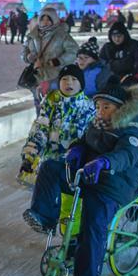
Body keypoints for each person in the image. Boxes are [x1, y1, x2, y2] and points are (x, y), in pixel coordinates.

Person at [25, 83, 138, 276]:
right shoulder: (97, 124)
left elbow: (127, 155)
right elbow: (85, 141)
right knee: (50, 168)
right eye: (99, 106)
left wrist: (105, 161)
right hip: (88, 176)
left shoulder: (131, 131)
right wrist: (77, 148)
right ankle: (44, 216)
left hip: (112, 185)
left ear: (120, 109)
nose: (101, 111)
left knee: (93, 224)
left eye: (107, 107)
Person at [18, 64, 95, 197]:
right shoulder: (50, 103)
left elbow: (90, 140)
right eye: (65, 79)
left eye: (74, 79)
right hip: (48, 164)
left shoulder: (89, 108)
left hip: (73, 167)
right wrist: (29, 157)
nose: (69, 82)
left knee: (67, 204)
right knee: (46, 199)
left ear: (81, 85)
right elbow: (39, 131)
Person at [22, 6, 79, 112]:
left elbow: (74, 51)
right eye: (43, 19)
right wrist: (28, 57)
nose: (45, 22)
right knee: (39, 105)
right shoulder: (32, 35)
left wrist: (58, 61)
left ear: (54, 20)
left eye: (49, 19)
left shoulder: (61, 35)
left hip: (55, 77)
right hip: (37, 76)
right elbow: (24, 51)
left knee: (54, 105)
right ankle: (40, 125)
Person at [100, 21, 138, 86]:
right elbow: (102, 63)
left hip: (130, 78)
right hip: (111, 79)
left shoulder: (134, 45)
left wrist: (133, 73)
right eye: (114, 36)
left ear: (124, 35)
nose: (117, 39)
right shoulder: (107, 47)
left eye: (119, 36)